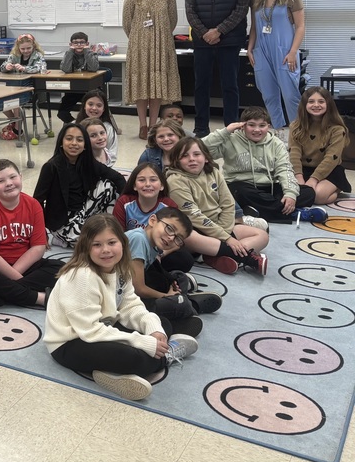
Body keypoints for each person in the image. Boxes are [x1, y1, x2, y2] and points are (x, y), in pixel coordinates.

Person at [44, 215, 198, 401]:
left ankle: (124, 366)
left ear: (123, 243)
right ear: (85, 247)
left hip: (104, 326)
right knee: (137, 358)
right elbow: (90, 331)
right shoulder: (82, 276)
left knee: (161, 323)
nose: (106, 250)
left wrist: (154, 331)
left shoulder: (120, 268)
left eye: (111, 242)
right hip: (71, 342)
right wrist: (141, 342)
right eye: (97, 245)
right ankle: (166, 353)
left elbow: (130, 306)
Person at [0, 159, 62, 311]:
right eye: (0, 181)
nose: (9, 183)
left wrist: (14, 277)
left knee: (64, 269)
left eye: (12, 177)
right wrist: (17, 278)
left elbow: (38, 248)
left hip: (25, 264)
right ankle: (39, 298)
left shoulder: (33, 205)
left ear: (21, 177)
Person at [165, 137, 269, 276]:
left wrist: (224, 233)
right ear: (176, 161)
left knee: (262, 236)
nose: (191, 159)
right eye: (184, 156)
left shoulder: (213, 173)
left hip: (219, 226)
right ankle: (247, 259)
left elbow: (228, 203)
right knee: (188, 236)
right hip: (195, 228)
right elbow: (193, 216)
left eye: (196, 154)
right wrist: (227, 238)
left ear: (206, 158)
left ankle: (211, 256)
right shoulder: (175, 180)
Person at [204, 106, 319, 224]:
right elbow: (201, 148)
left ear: (268, 127)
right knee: (237, 192)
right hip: (242, 186)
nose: (257, 130)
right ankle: (292, 213)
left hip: (270, 186)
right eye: (251, 125)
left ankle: (257, 210)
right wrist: (225, 131)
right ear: (242, 126)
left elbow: (284, 169)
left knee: (308, 192)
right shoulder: (230, 139)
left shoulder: (276, 143)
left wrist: (290, 194)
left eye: (262, 125)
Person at [185, 0, 251, 136]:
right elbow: (190, 9)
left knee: (230, 85)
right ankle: (201, 128)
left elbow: (242, 8)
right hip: (202, 41)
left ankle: (232, 128)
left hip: (230, 41)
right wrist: (205, 33)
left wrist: (219, 31)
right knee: (201, 86)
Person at [125, 208, 220, 332]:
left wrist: (170, 284)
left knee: (179, 277)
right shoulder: (138, 239)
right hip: (124, 300)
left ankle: (181, 303)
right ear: (153, 220)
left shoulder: (152, 245)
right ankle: (186, 305)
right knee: (178, 305)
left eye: (178, 238)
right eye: (170, 229)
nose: (171, 238)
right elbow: (138, 289)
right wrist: (166, 296)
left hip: (131, 290)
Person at [34, 123, 125, 246]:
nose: (74, 143)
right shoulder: (51, 167)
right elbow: (37, 201)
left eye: (80, 140)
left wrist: (126, 203)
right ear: (61, 142)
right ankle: (61, 238)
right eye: (69, 138)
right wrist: (41, 233)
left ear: (85, 145)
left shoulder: (87, 162)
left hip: (83, 213)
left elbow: (118, 178)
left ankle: (105, 224)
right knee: (95, 243)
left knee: (109, 185)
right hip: (62, 222)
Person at [122, 0, 182, 139]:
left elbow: (173, 20)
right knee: (142, 86)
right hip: (139, 47)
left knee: (156, 87)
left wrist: (160, 36)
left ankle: (153, 124)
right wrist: (139, 39)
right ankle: (142, 125)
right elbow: (127, 23)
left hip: (161, 46)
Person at [247, 0, 305, 128]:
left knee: (290, 94)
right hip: (261, 51)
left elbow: (300, 27)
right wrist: (250, 49)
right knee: (269, 95)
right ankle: (278, 131)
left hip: (284, 51)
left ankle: (297, 133)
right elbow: (254, 28)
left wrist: (293, 52)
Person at [291, 87, 352, 206]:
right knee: (292, 193)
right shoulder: (295, 126)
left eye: (321, 101)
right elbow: (294, 153)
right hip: (303, 169)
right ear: (304, 104)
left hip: (330, 170)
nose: (316, 105)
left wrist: (314, 179)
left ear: (328, 104)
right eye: (311, 101)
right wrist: (298, 176)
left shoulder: (337, 129)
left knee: (317, 197)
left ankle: (336, 188)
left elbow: (331, 158)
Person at [0, 33, 47, 140]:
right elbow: (2, 67)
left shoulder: (38, 56)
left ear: (33, 46)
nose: (26, 51)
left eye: (28, 48)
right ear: (18, 48)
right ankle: (14, 121)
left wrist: (24, 68)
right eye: (23, 49)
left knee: (16, 102)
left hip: (30, 90)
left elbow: (39, 68)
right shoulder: (14, 55)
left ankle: (18, 128)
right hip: (12, 88)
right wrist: (7, 67)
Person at [57, 31, 100, 123]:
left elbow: (94, 68)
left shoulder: (92, 54)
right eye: (75, 43)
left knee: (90, 111)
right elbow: (66, 69)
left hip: (89, 89)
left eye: (82, 42)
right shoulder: (69, 54)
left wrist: (87, 50)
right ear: (71, 44)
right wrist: (70, 52)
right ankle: (77, 125)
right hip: (73, 89)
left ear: (87, 44)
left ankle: (88, 126)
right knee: (62, 113)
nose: (79, 45)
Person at [74, 89, 118, 161]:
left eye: (99, 105)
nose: (94, 108)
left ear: (104, 109)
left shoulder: (108, 128)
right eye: (90, 104)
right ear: (84, 106)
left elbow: (113, 154)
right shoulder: (74, 125)